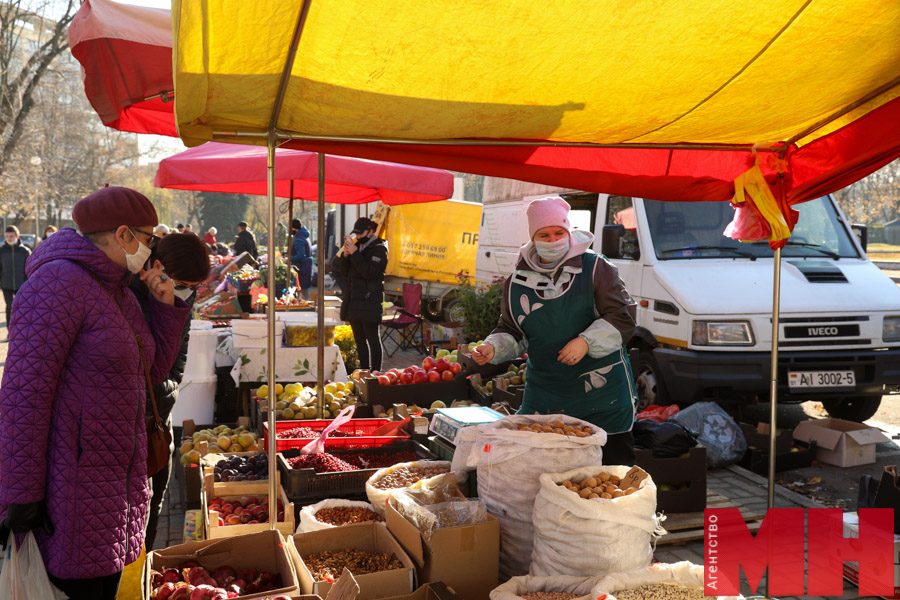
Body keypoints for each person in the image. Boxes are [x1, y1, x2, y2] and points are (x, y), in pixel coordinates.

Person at [0, 186, 189, 600]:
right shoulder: (57, 284)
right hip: (72, 488)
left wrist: (164, 306)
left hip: (115, 484)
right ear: (124, 235)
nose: (153, 247)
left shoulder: (116, 289)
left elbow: (149, 373)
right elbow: (23, 396)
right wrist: (21, 494)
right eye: (149, 237)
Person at [471, 196, 638, 465]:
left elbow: (623, 316)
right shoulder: (516, 282)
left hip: (601, 394)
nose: (552, 240)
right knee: (548, 470)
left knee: (610, 474)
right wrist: (493, 347)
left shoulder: (596, 268)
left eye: (559, 233)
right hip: (548, 394)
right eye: (544, 235)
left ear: (569, 231)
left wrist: (586, 342)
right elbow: (513, 329)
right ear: (533, 238)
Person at [129, 233, 210, 550]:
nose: (187, 293)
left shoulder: (183, 300)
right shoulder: (128, 294)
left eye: (193, 287)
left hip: (158, 419)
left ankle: (145, 566)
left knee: (152, 505)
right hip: (126, 422)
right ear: (157, 267)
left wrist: (164, 396)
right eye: (183, 284)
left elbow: (177, 360)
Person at [332, 217, 386, 371]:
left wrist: (355, 254)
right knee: (359, 341)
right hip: (354, 301)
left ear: (370, 231)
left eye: (361, 234)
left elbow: (369, 273)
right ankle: (363, 372)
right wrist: (347, 256)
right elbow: (345, 274)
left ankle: (375, 374)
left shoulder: (379, 250)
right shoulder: (358, 247)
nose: (358, 237)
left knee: (373, 339)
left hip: (369, 301)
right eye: (356, 234)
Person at [0, 226, 31, 326]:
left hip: (21, 285)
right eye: (7, 236)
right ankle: (10, 330)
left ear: (17, 236)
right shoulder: (1, 251)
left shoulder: (25, 251)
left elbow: (29, 268)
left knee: (20, 307)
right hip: (6, 285)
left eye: (11, 236)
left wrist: (28, 282)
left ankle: (20, 328)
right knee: (10, 306)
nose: (9, 238)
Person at [290, 218, 313, 301]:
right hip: (306, 267)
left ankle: (306, 306)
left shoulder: (299, 239)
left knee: (301, 289)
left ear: (295, 229)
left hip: (301, 268)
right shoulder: (304, 236)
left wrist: (289, 259)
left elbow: (301, 255)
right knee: (304, 290)